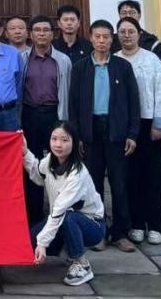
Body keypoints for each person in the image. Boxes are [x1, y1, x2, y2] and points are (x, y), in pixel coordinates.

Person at [68, 19, 140, 252]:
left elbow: (134, 102)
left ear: (112, 39)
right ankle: (98, 232)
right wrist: (76, 136)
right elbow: (73, 105)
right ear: (91, 38)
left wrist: (132, 133)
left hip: (116, 130)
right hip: (90, 131)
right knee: (93, 184)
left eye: (106, 37)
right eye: (97, 36)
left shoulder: (122, 67)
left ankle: (120, 233)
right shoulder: (80, 67)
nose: (102, 41)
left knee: (120, 184)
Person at [23, 121, 106, 288]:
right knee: (31, 241)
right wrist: (24, 152)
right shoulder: (49, 160)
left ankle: (82, 263)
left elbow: (60, 210)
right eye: (54, 139)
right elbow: (38, 176)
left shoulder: (78, 173)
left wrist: (43, 243)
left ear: (74, 143)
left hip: (93, 226)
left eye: (64, 140)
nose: (58, 144)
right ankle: (67, 246)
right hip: (62, 218)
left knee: (67, 217)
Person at [115, 16, 161, 245]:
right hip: (125, 126)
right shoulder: (114, 60)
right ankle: (136, 223)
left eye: (131, 31)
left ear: (139, 34)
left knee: (152, 176)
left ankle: (155, 225)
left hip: (149, 124)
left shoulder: (151, 60)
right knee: (130, 176)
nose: (127, 35)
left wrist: (159, 123)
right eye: (122, 31)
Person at [21, 14, 72, 223]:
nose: (41, 34)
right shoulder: (22, 59)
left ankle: (58, 215)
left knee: (57, 163)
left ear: (53, 34)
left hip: (54, 115)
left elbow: (67, 91)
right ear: (31, 34)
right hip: (29, 115)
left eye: (45, 30)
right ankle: (33, 216)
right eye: (37, 30)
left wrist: (65, 122)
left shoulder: (63, 60)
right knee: (30, 163)